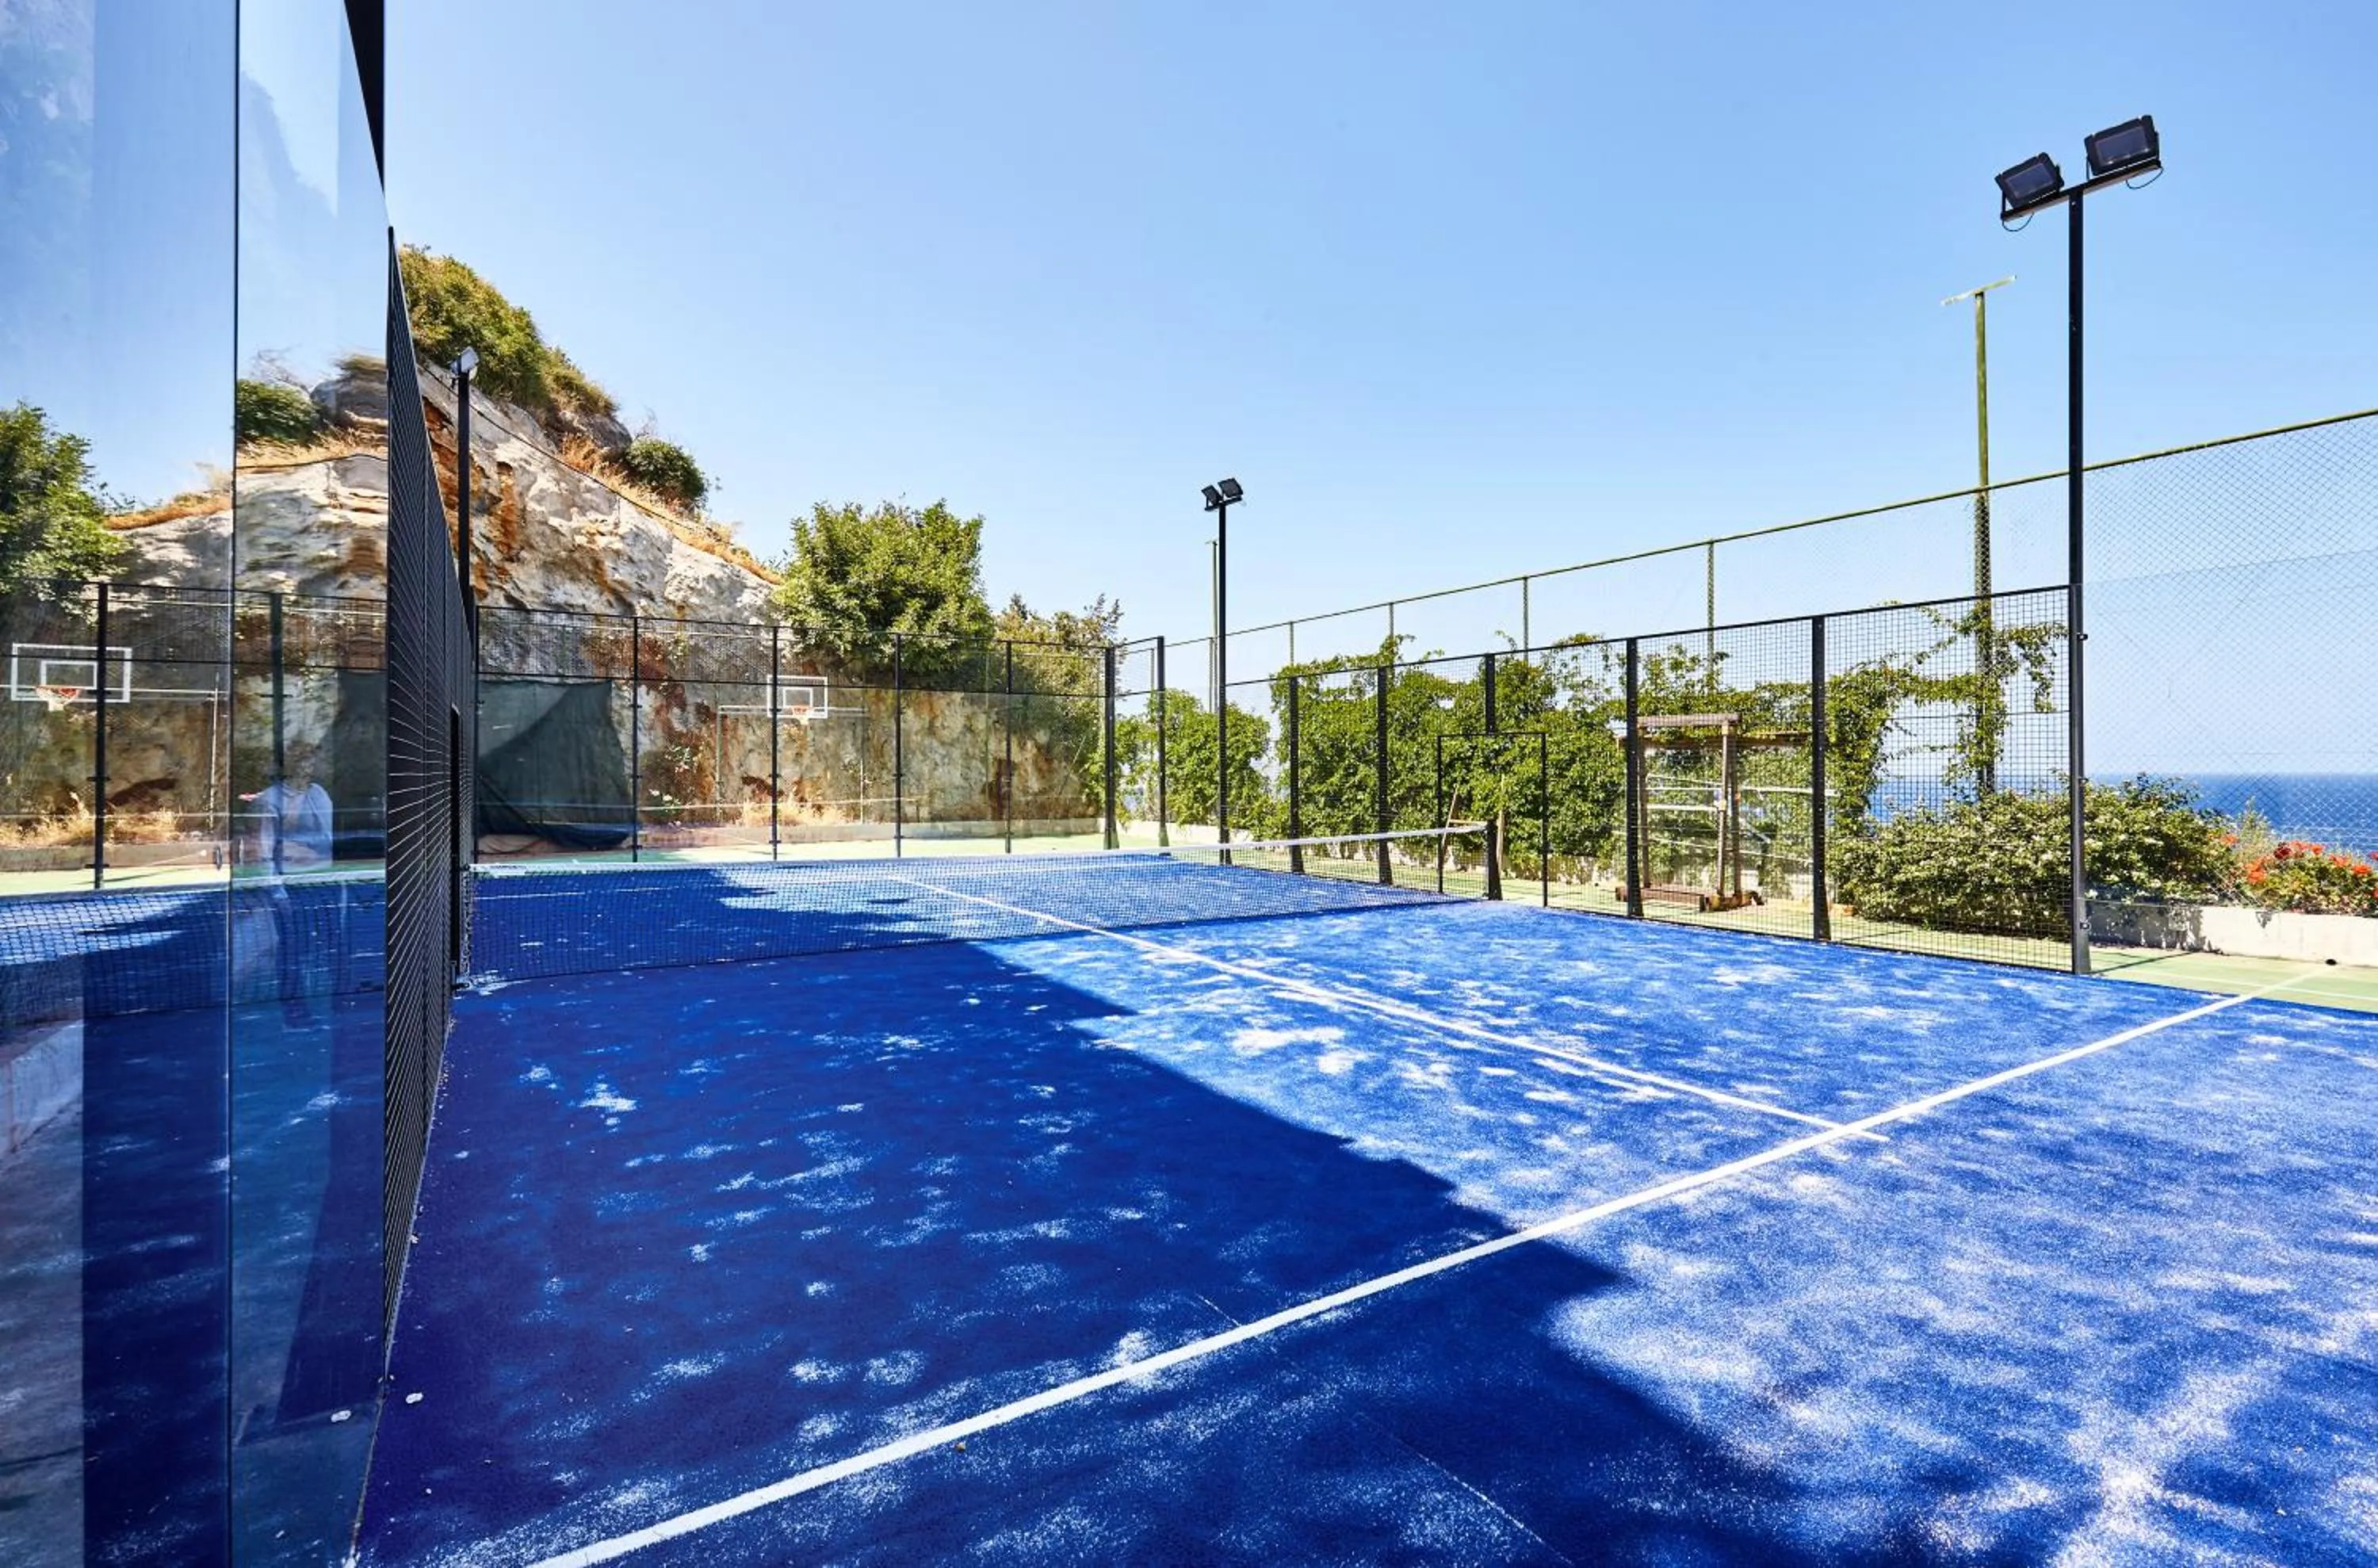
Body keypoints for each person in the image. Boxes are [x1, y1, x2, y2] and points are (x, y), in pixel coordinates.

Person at [251, 744, 335, 874]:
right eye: (308, 763)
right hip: (289, 873)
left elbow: (329, 837)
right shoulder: (270, 800)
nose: (313, 767)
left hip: (324, 871)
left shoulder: (318, 793)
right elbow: (264, 848)